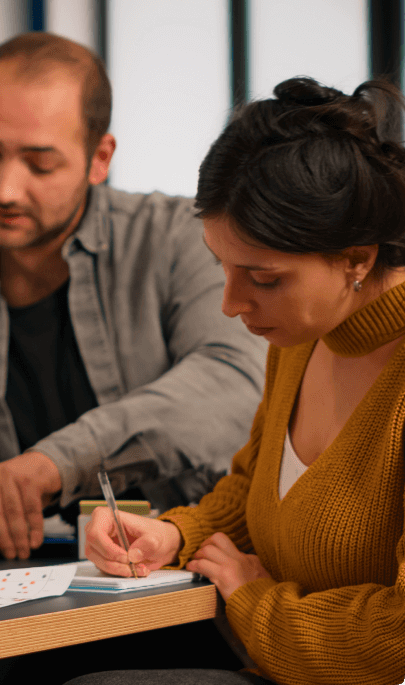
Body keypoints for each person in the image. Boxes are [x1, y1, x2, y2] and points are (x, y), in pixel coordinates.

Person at [0, 32, 266, 558]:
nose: (4, 189)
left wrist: (56, 463)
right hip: (11, 583)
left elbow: (232, 380)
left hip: (178, 570)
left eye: (40, 164)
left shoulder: (179, 240)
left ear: (99, 157)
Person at [75, 77, 405, 685]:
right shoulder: (302, 337)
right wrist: (175, 535)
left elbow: (398, 637)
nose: (230, 304)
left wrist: (256, 601)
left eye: (264, 279)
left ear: (358, 258)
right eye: (222, 267)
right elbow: (256, 488)